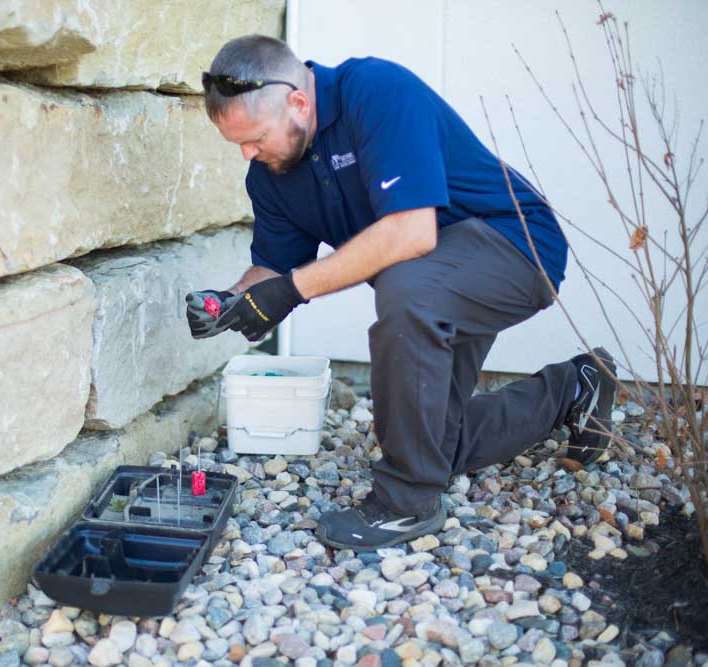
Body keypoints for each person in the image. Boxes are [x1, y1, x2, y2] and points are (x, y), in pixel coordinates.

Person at [185, 35, 618, 551]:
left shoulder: (376, 91)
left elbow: (412, 234)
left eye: (254, 137)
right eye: (237, 143)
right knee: (434, 443)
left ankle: (406, 502)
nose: (247, 154)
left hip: (515, 246)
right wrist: (233, 300)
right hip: (437, 279)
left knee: (406, 287)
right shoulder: (272, 173)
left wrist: (292, 291)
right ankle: (574, 388)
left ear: (298, 102)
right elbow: (273, 269)